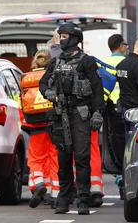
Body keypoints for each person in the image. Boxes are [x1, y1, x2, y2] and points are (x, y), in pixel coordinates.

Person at [39, 23, 104, 215]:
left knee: (82, 158)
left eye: (65, 35)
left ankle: (83, 199)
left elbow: (97, 90)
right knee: (63, 158)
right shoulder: (56, 61)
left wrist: (98, 112)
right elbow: (43, 83)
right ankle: (64, 199)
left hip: (80, 114)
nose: (62, 39)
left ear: (75, 38)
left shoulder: (87, 62)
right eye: (61, 36)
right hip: (61, 115)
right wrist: (49, 93)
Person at [20, 50, 59, 209]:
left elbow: (21, 103)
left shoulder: (26, 77)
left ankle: (37, 183)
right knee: (54, 159)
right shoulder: (54, 75)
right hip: (53, 122)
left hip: (35, 125)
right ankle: (55, 193)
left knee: (36, 158)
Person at [102, 34, 129, 198]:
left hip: (109, 110)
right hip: (125, 108)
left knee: (112, 145)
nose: (126, 48)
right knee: (126, 144)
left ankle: (119, 177)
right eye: (125, 45)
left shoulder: (105, 64)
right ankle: (125, 178)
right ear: (120, 46)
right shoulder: (126, 63)